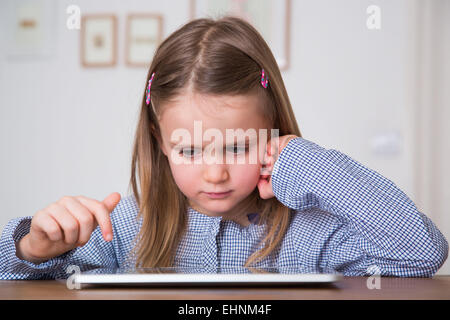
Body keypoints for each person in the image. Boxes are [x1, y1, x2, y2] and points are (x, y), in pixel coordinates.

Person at [0, 16, 447, 280]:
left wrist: (308, 163)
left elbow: (421, 253)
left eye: (236, 147)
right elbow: (7, 269)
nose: (214, 174)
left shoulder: (310, 235)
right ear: (160, 143)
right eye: (190, 151)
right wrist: (31, 247)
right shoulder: (125, 227)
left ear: (273, 133)